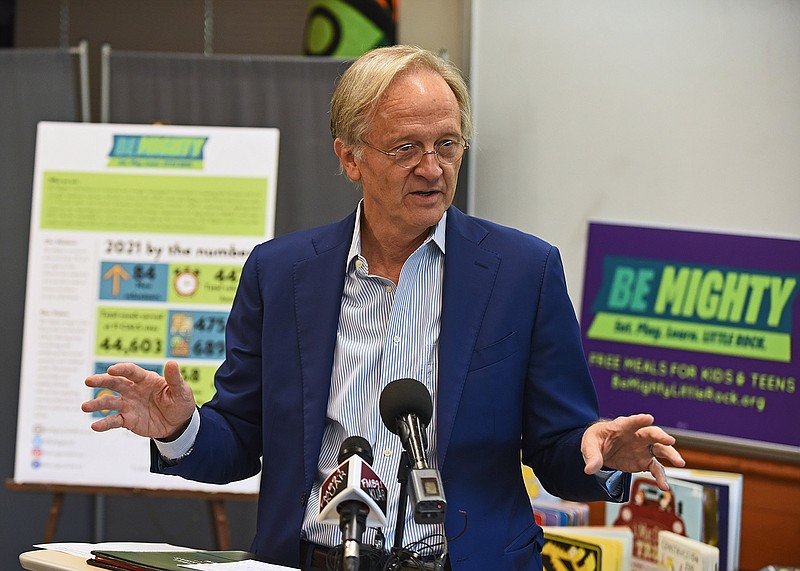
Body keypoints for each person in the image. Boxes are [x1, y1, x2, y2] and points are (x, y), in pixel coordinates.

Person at [82, 45, 685, 570]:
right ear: (350, 158)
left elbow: (560, 448)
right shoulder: (281, 273)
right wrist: (182, 430)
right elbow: (240, 439)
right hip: (309, 559)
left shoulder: (523, 272)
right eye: (405, 148)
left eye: (447, 144)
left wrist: (603, 457)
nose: (432, 167)